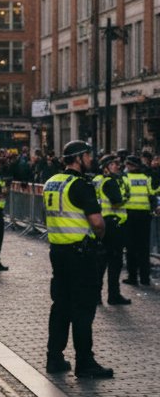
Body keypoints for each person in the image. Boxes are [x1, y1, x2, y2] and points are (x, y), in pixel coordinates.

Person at [43, 140, 111, 379]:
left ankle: (55, 357)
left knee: (60, 306)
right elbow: (97, 223)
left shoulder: (51, 182)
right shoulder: (81, 185)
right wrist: (100, 236)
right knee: (83, 308)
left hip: (58, 253)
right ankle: (85, 361)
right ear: (79, 158)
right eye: (88, 155)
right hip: (81, 255)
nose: (91, 159)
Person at [93, 153, 131, 306]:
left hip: (106, 225)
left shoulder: (101, 181)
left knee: (102, 262)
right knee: (114, 263)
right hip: (113, 226)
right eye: (114, 164)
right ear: (106, 168)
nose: (118, 166)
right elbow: (116, 203)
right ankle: (113, 296)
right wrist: (126, 198)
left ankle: (98, 296)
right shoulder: (110, 182)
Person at [122, 155, 156, 288]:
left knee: (131, 248)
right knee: (143, 248)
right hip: (144, 216)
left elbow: (122, 195)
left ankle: (132, 277)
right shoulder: (146, 178)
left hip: (130, 215)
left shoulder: (125, 178)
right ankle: (145, 278)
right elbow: (152, 193)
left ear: (130, 165)